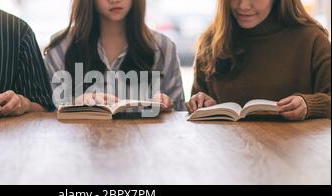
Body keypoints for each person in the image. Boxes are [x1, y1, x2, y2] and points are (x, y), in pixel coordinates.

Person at [187, 0, 331, 121]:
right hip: (227, 151)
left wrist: (310, 105)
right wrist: (200, 102)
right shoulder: (211, 41)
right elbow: (195, 113)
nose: (243, 5)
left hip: (294, 151)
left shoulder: (312, 39)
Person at [44, 0, 185, 112]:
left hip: (144, 144)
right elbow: (47, 113)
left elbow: (179, 112)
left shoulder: (162, 48)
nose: (114, 0)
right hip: (79, 144)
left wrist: (166, 105)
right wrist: (74, 105)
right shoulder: (60, 49)